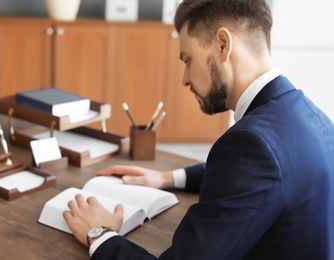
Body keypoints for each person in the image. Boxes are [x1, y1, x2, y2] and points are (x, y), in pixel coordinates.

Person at [63, 0, 334, 259]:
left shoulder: (253, 144)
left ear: (223, 45)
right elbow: (262, 175)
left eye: (188, 59)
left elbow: (254, 166)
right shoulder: (312, 118)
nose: (185, 79)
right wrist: (169, 178)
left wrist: (99, 234)